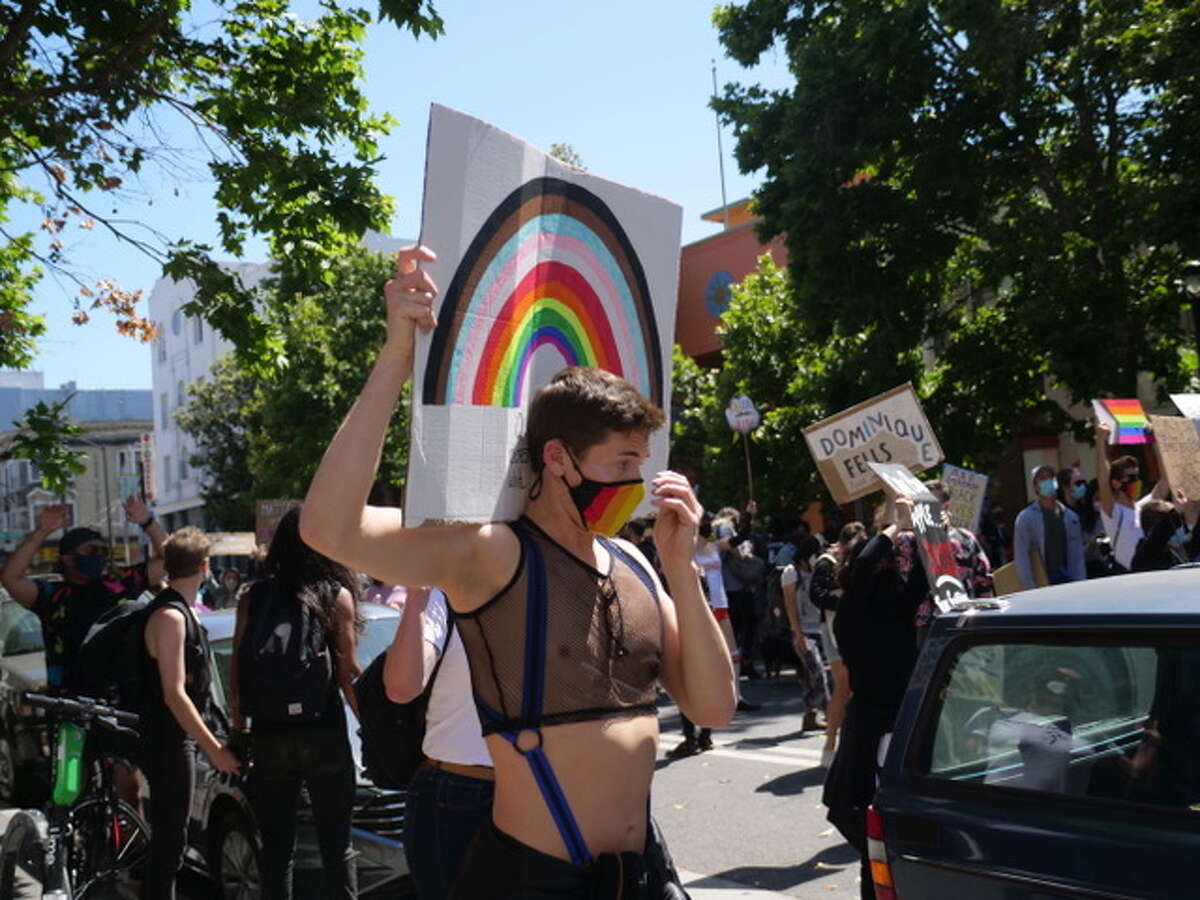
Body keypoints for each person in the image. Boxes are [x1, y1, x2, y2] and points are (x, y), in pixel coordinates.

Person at [301, 244, 736, 899]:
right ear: (559, 459)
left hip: (638, 875)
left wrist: (681, 568)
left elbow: (714, 705)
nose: (638, 481)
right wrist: (395, 357)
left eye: (642, 461)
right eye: (621, 463)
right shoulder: (492, 552)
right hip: (535, 881)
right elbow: (329, 528)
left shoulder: (637, 562)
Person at [229, 508, 363, 900]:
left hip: (270, 734)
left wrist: (239, 731)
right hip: (324, 731)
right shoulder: (335, 595)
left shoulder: (252, 597)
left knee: (276, 849)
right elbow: (348, 673)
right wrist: (372, 727)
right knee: (336, 846)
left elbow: (237, 669)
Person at [823, 492, 926, 900]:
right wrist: (899, 528)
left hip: (889, 732)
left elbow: (917, 577)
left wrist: (914, 530)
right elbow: (871, 567)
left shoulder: (895, 609)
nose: (890, 571)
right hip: (877, 736)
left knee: (879, 844)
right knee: (873, 838)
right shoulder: (852, 617)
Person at [141, 527, 242, 899]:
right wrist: (214, 750)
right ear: (205, 565)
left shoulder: (182, 613)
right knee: (170, 843)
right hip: (167, 740)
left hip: (173, 738)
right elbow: (174, 693)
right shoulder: (171, 617)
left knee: (172, 840)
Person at [385, 586, 494, 899]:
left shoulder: (554, 582)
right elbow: (402, 687)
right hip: (458, 796)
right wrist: (416, 594)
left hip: (539, 792)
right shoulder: (444, 593)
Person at [0, 498, 165, 688]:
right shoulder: (51, 596)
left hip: (122, 701)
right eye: (92, 550)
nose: (100, 556)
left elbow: (172, 560)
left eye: (104, 551)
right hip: (72, 704)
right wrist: (42, 531)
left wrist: (148, 522)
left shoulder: (120, 585)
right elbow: (10, 577)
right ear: (68, 559)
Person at [810, 522, 863, 767]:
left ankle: (848, 746)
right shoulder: (826, 563)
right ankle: (830, 745)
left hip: (857, 631)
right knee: (843, 687)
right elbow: (816, 595)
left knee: (856, 689)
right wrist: (845, 600)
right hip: (833, 631)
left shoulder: (864, 560)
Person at [1095, 421, 1167, 572]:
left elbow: (1166, 481)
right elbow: (1103, 480)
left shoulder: (1145, 508)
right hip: (1127, 575)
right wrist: (1101, 441)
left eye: (1137, 476)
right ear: (1115, 483)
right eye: (1130, 477)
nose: (1136, 481)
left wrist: (1155, 441)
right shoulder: (1113, 512)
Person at [781, 535, 827, 733]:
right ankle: (833, 714)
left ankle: (810, 717)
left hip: (820, 629)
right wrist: (797, 633)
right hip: (804, 633)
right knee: (820, 675)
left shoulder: (819, 570)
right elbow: (790, 606)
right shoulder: (791, 572)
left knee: (809, 679)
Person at [1013, 465, 1086, 588]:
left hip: (1069, 582)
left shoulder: (1070, 517)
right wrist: (1030, 588)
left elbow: (1078, 556)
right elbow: (1021, 557)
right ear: (1036, 486)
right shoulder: (1026, 518)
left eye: (1051, 477)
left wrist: (1081, 584)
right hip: (1042, 584)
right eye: (1042, 478)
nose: (1048, 481)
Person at [925, 479, 993, 598]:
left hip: (962, 612)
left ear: (945, 505)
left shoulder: (966, 539)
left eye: (930, 502)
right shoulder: (909, 540)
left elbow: (983, 580)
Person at [1131, 491, 1200, 571]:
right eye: (1174, 528)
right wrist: (1174, 515)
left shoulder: (1176, 553)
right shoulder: (1145, 557)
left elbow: (1194, 545)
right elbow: (1158, 538)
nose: (1178, 530)